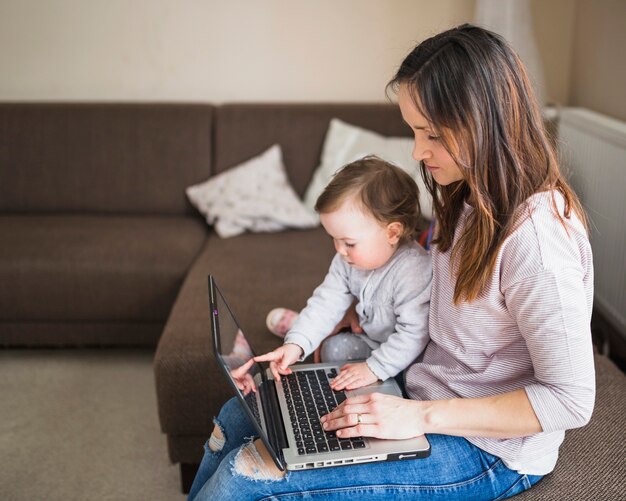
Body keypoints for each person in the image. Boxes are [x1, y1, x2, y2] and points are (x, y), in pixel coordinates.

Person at [188, 24, 595, 500]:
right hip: (417, 391)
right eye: (415, 131)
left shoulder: (539, 244)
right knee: (239, 415)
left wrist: (418, 416)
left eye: (433, 134)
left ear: (488, 122)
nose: (418, 152)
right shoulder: (465, 196)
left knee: (245, 478)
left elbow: (571, 400)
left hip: (489, 450)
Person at [255, 156, 432, 392]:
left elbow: (414, 335)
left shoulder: (413, 271)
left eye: (349, 243)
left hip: (407, 357)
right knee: (331, 348)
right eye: (334, 239)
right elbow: (325, 303)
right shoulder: (346, 261)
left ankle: (303, 325)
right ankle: (301, 330)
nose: (339, 250)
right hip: (370, 339)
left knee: (400, 378)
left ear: (392, 233)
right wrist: (295, 345)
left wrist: (373, 369)